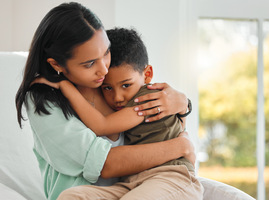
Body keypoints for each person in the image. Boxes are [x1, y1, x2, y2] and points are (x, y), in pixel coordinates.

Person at [15, 2, 195, 200]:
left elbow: (165, 124)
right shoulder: (43, 100)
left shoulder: (112, 84)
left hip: (148, 183)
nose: (104, 69)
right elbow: (105, 164)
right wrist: (180, 147)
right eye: (90, 63)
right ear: (57, 64)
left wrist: (184, 103)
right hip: (118, 188)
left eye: (106, 52)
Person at [52, 28, 203, 200]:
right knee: (72, 197)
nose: (117, 97)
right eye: (107, 88)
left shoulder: (147, 99)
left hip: (171, 177)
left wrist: (64, 86)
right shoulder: (125, 103)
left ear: (147, 75)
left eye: (126, 85)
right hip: (132, 183)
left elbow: (102, 126)